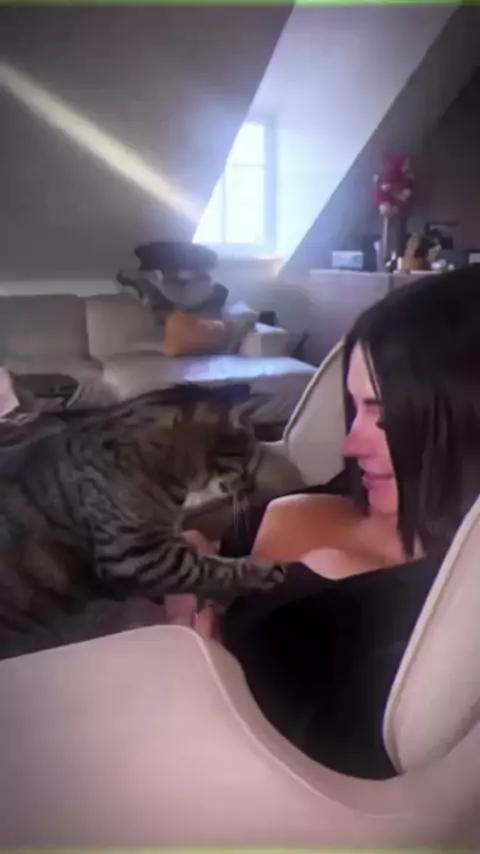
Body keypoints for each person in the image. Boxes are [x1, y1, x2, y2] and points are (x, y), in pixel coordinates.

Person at [171, 265, 480, 780]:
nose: (350, 444)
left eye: (381, 414)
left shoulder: (434, 630)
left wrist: (211, 664)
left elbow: (326, 776)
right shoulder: (363, 496)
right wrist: (193, 561)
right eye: (354, 409)